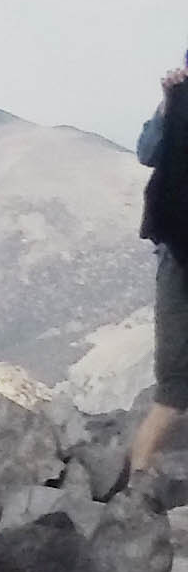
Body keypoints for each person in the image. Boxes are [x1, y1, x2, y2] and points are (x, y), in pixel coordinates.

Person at [132, 54, 188, 485]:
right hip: (178, 252)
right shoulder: (177, 102)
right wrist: (169, 103)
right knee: (173, 382)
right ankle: (137, 485)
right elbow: (147, 152)